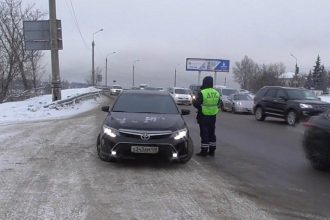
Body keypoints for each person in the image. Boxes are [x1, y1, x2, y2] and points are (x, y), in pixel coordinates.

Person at [193, 76, 221, 157]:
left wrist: (194, 101)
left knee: (204, 133)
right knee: (212, 133)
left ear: (204, 82)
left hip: (204, 115)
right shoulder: (216, 92)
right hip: (213, 116)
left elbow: (197, 104)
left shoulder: (202, 92)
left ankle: (204, 151)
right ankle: (212, 150)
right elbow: (219, 103)